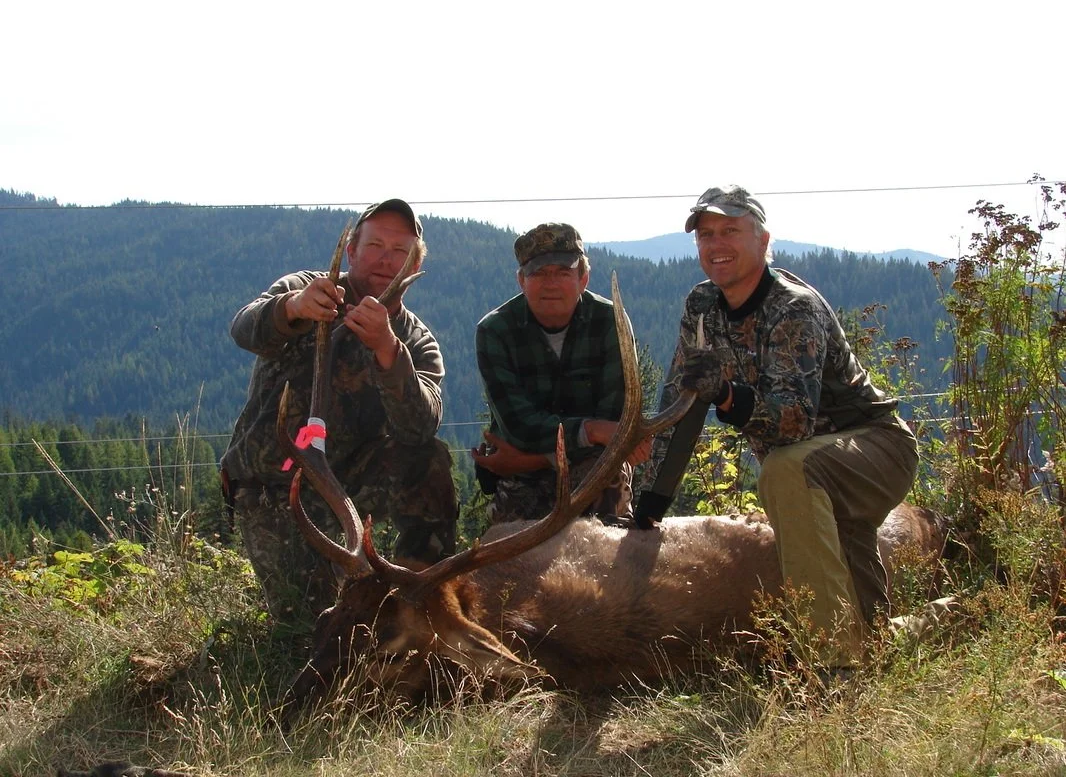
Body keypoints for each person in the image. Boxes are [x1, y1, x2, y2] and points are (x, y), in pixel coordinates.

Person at [635, 185, 919, 666]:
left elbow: (793, 424)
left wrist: (725, 395)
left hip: (874, 449)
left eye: (730, 230)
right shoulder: (702, 306)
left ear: (763, 241)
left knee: (787, 469)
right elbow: (679, 401)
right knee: (871, 631)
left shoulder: (793, 307)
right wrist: (651, 503)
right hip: (813, 470)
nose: (716, 244)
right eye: (705, 234)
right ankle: (937, 621)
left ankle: (830, 665)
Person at [220, 198, 457, 629]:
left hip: (350, 486)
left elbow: (420, 427)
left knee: (430, 461)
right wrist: (292, 308)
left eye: (400, 251)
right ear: (351, 251)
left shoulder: (415, 340)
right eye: (375, 246)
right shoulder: (309, 287)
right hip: (272, 488)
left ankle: (425, 604)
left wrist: (388, 352)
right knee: (310, 626)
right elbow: (243, 328)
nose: (386, 260)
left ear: (415, 265)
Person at [472, 222, 649, 524]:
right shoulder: (494, 330)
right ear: (521, 280)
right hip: (524, 478)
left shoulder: (611, 322)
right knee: (513, 561)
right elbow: (520, 426)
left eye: (563, 272)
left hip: (582, 467)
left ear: (583, 279)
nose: (550, 283)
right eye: (538, 273)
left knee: (606, 544)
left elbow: (615, 428)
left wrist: (529, 458)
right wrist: (590, 430)